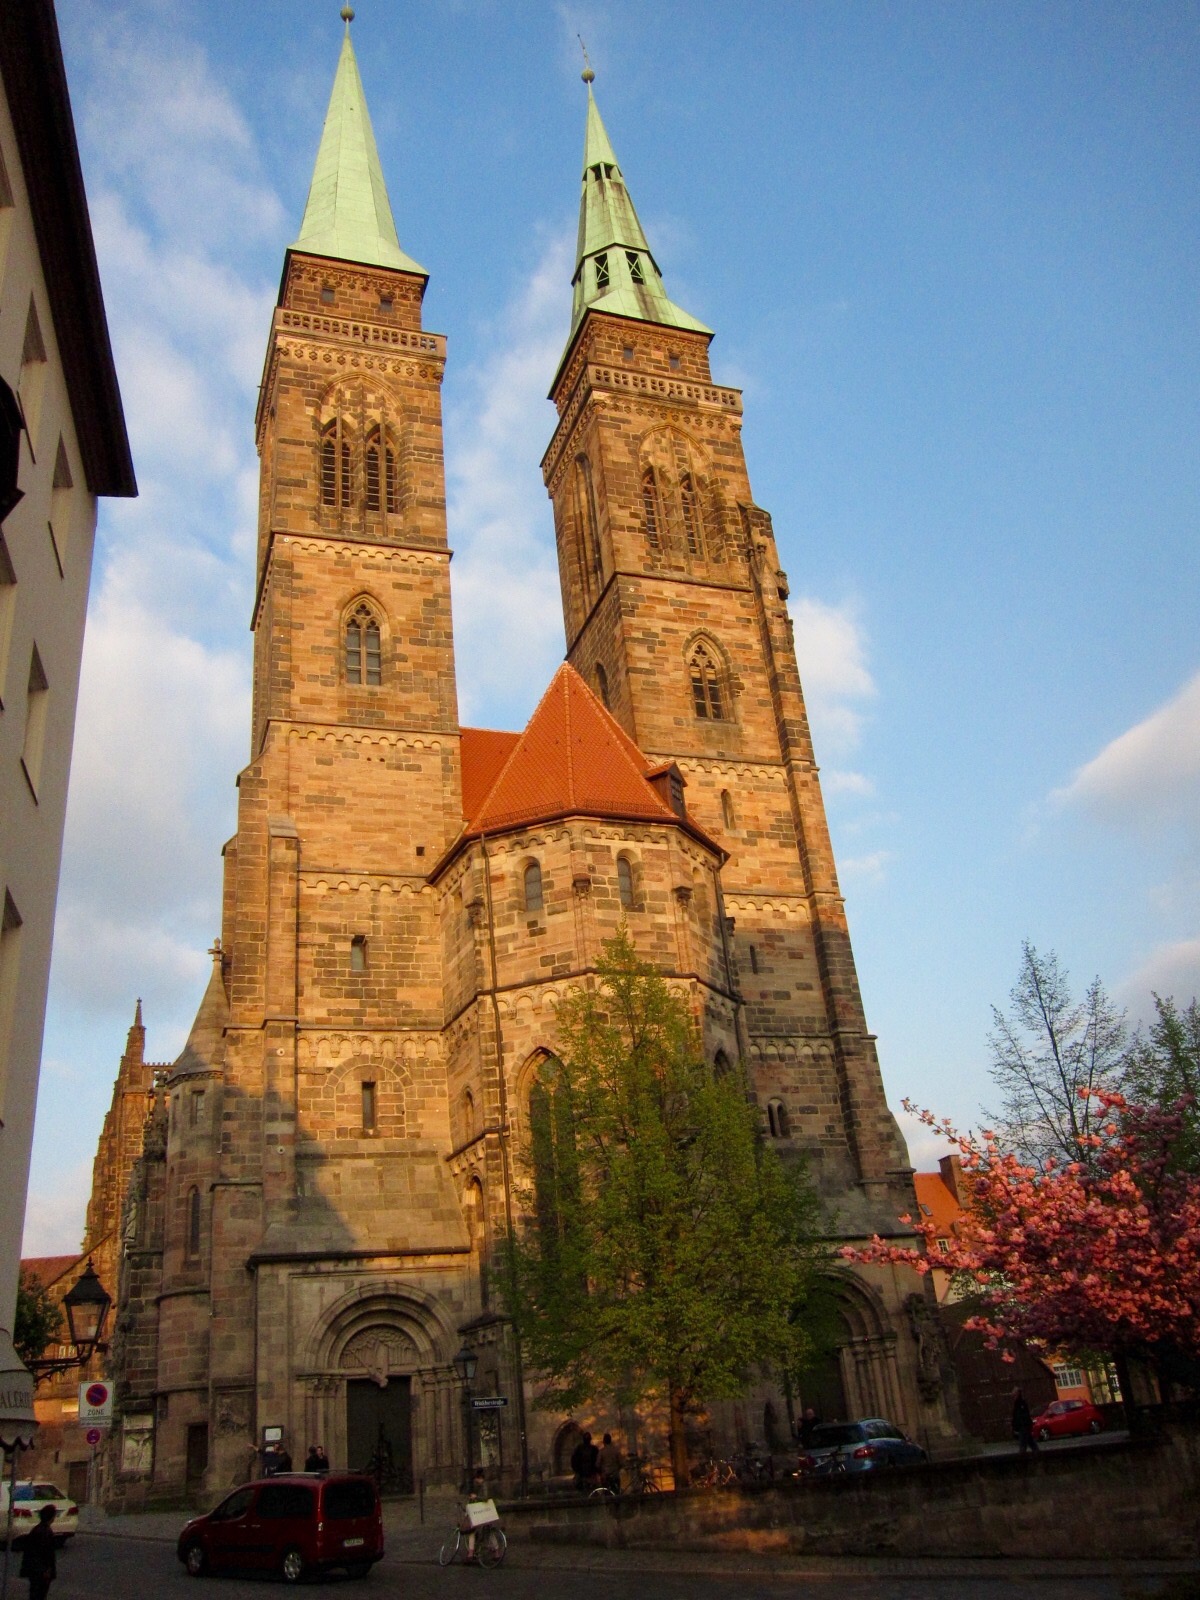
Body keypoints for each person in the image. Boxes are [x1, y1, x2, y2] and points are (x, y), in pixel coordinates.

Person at [19, 1503, 57, 1600]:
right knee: (39, 1594)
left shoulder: (38, 1529)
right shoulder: (45, 1532)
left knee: (36, 1594)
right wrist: (46, 1569)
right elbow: (45, 1553)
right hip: (40, 1571)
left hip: (36, 1570)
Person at [1012, 1388, 1038, 1455]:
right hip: (1024, 1426)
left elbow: (1020, 1415)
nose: (1013, 1395)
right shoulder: (1019, 1403)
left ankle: (1023, 1456)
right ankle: (1037, 1453)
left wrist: (1018, 1424)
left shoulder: (1020, 1403)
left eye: (1014, 1394)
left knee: (1023, 1443)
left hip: (1023, 1426)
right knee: (1030, 1441)